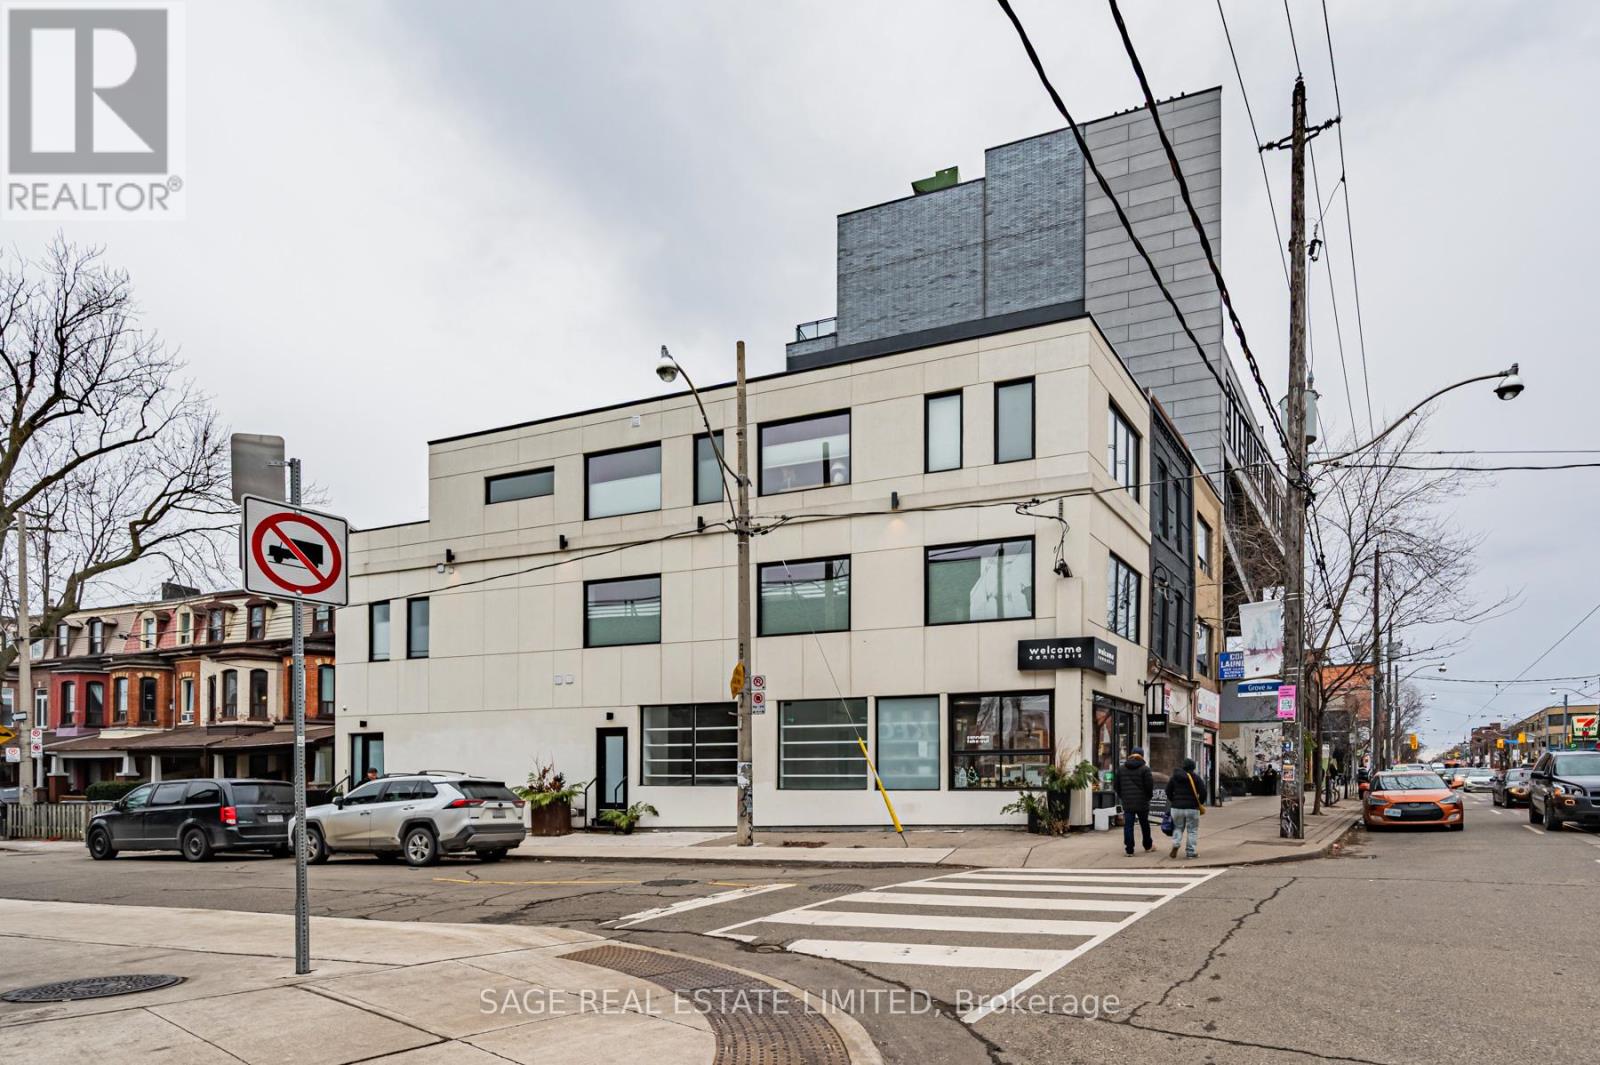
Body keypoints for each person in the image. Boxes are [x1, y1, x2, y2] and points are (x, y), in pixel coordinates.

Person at [1114, 747, 1155, 856]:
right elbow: (1149, 786)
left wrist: (1123, 796)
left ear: (1131, 755)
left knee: (1128, 825)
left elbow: (1116, 786)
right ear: (1142, 755)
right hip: (1142, 802)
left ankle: (1129, 850)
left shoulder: (1121, 769)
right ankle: (1148, 846)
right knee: (1144, 824)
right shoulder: (1145, 769)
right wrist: (1148, 797)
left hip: (1128, 802)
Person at [1166, 757, 1208, 859]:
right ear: (1193, 767)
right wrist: (1200, 803)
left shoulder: (1174, 777)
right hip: (1192, 808)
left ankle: (1176, 843)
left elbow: (1168, 791)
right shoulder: (1196, 778)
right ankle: (1190, 852)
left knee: (1178, 827)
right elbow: (1203, 792)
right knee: (1192, 830)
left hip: (1176, 807)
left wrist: (1174, 801)